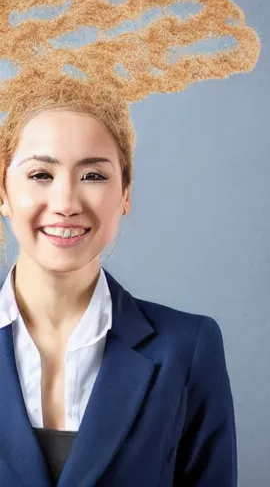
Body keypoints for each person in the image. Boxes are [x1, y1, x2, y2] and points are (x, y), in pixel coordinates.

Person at [0, 87, 237, 486]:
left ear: (125, 193)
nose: (66, 202)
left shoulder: (188, 347)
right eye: (41, 175)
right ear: (3, 191)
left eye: (93, 175)